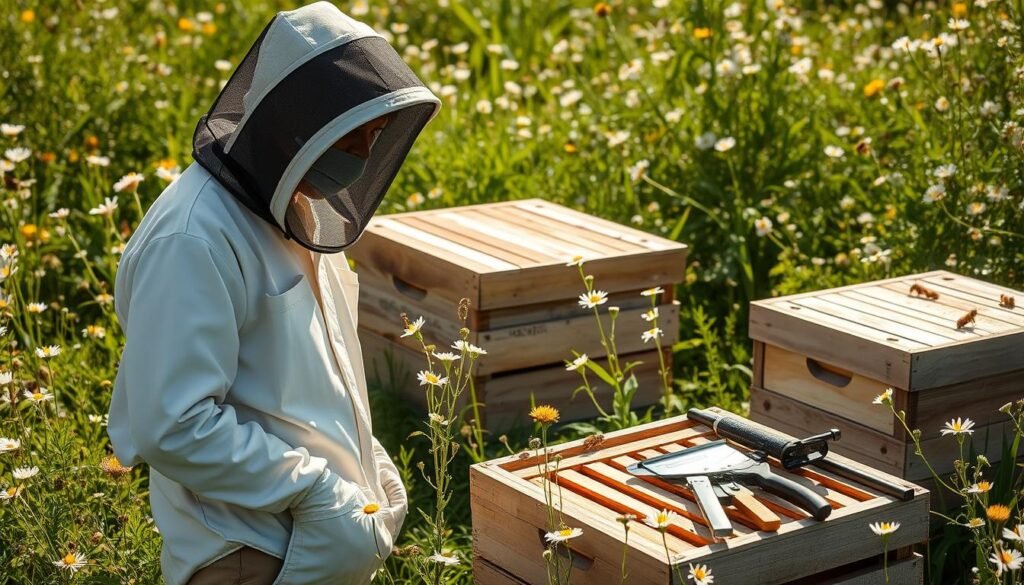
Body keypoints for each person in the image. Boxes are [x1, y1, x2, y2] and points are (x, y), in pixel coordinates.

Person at [105, 3, 442, 584]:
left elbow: (308, 379)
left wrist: (368, 466)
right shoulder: (192, 238)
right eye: (350, 131)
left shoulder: (296, 208)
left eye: (373, 132)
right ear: (292, 122)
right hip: (247, 552)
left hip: (314, 538)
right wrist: (317, 489)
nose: (363, 153)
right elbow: (173, 423)